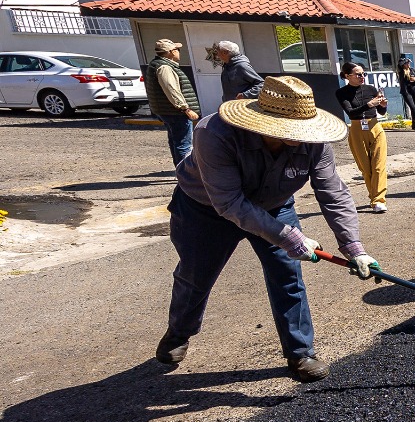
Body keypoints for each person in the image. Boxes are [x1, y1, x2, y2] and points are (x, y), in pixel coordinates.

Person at [156, 75, 378, 382]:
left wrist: (354, 247)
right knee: (196, 275)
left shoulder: (313, 141)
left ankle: (300, 352)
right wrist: (289, 236)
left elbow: (332, 192)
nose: (299, 137)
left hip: (274, 205)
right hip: (205, 210)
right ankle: (179, 330)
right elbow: (229, 203)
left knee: (287, 276)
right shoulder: (214, 134)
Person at [336, 63, 389, 213]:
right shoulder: (342, 93)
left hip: (375, 126)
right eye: (358, 74)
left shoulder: (371, 89)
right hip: (357, 128)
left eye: (363, 74)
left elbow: (381, 111)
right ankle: (374, 197)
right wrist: (368, 104)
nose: (362, 77)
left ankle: (379, 200)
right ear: (347, 76)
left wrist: (383, 105)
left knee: (379, 165)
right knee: (366, 168)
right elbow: (351, 112)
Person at [147, 38, 200, 165]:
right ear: (171, 52)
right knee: (184, 144)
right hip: (175, 112)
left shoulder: (157, 64)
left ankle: (181, 171)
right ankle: (186, 175)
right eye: (177, 49)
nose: (179, 52)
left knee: (175, 142)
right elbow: (171, 89)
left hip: (166, 111)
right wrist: (185, 108)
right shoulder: (164, 67)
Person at [397, 56, 415, 129]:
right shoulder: (401, 72)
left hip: (414, 90)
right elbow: (402, 82)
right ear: (403, 64)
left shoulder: (412, 70)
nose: (408, 64)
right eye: (406, 63)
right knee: (413, 107)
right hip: (406, 92)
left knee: (413, 108)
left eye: (409, 63)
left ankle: (413, 124)